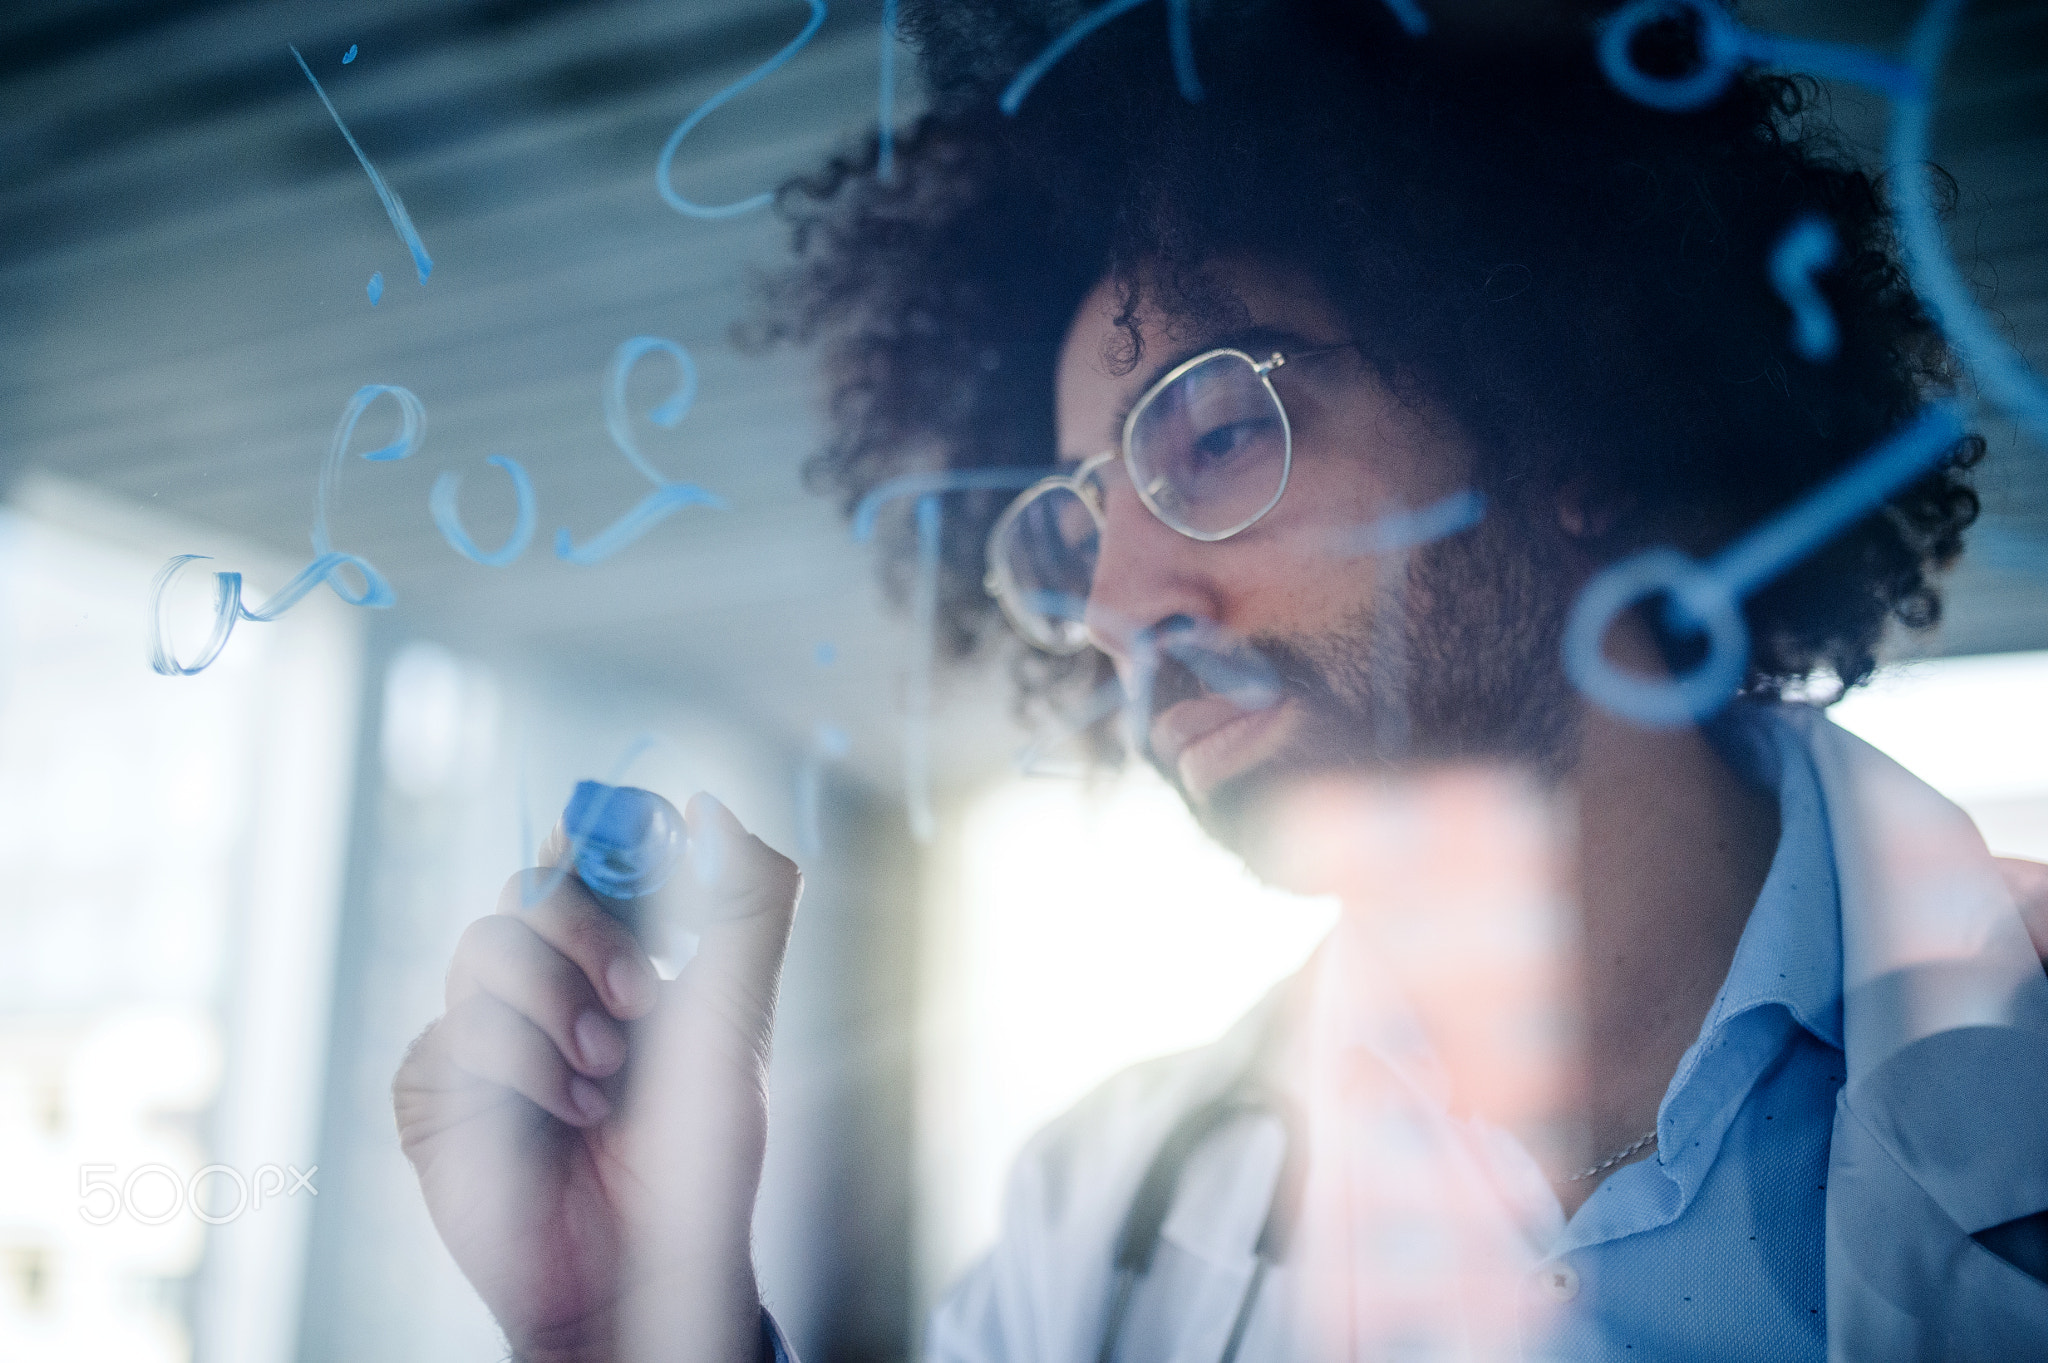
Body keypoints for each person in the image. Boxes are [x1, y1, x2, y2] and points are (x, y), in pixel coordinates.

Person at [392, 1, 2048, 1359]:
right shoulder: (1100, 1226)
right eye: (1072, 524)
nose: (1120, 603)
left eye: (1221, 430)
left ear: (1572, 426)